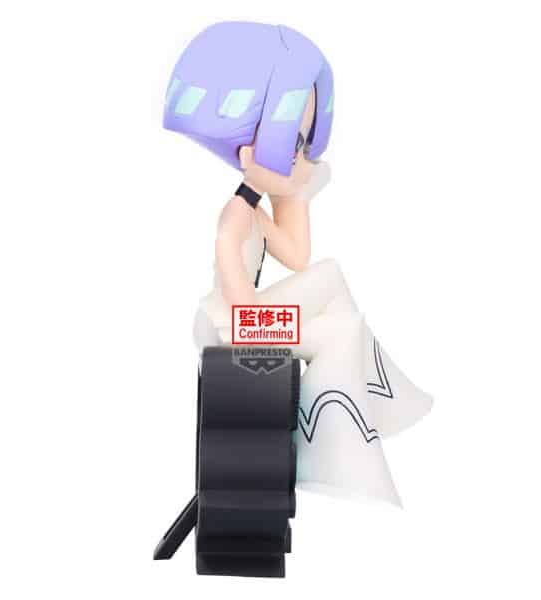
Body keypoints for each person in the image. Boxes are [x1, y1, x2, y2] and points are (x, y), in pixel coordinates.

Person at [163, 21, 433, 504]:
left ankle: (379, 403)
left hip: (243, 316)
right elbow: (244, 317)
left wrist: (299, 196)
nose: (303, 157)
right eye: (294, 144)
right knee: (341, 331)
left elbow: (297, 256)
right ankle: (327, 451)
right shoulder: (234, 219)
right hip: (230, 326)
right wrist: (299, 324)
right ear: (250, 150)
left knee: (329, 275)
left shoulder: (253, 210)